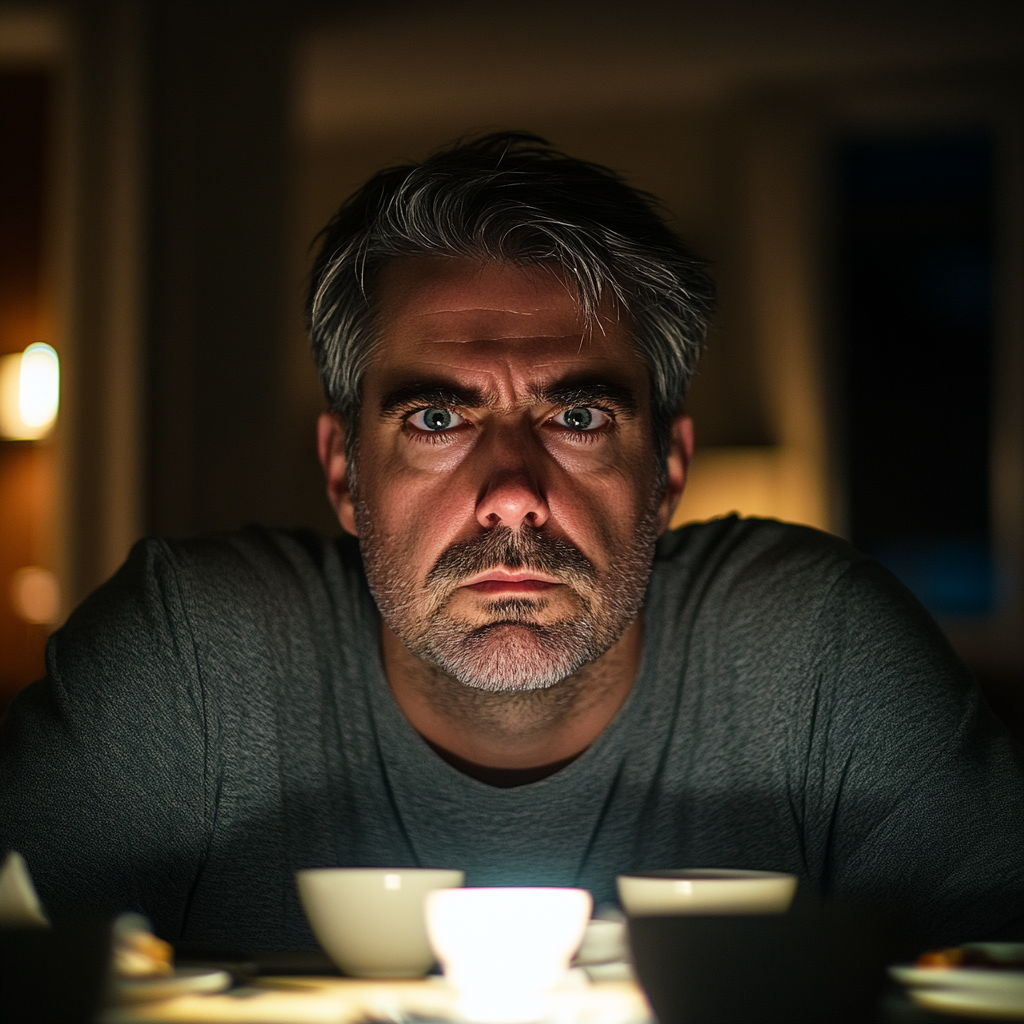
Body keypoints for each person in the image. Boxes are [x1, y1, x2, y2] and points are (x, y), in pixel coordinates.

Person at [1, 133, 1022, 953]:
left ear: (666, 471)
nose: (512, 496)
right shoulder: (187, 657)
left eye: (577, 418)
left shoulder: (823, 653)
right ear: (346, 473)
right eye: (436, 420)